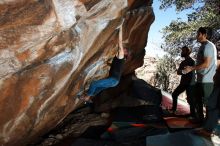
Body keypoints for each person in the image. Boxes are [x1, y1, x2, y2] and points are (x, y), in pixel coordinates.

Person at [79, 25, 129, 103]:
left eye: (125, 50)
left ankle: (86, 97)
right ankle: (89, 97)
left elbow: (120, 42)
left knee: (94, 84)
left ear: (124, 53)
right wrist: (108, 63)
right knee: (98, 88)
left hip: (113, 80)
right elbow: (115, 67)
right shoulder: (119, 60)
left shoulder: (121, 56)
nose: (123, 49)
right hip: (114, 82)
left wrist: (121, 27)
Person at [183, 27, 217, 123]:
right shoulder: (203, 46)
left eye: (198, 34)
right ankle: (200, 121)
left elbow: (206, 64)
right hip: (200, 80)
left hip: (207, 80)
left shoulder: (208, 46)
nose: (196, 36)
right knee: (198, 101)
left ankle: (209, 126)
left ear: (204, 35)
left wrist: (191, 68)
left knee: (208, 104)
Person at [169, 46, 196, 117]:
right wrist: (183, 71)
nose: (181, 52)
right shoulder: (183, 62)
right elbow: (178, 72)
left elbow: (190, 71)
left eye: (183, 51)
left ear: (187, 52)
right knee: (174, 94)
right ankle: (173, 110)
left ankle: (193, 115)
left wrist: (183, 71)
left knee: (190, 100)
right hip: (183, 83)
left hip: (190, 84)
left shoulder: (191, 61)